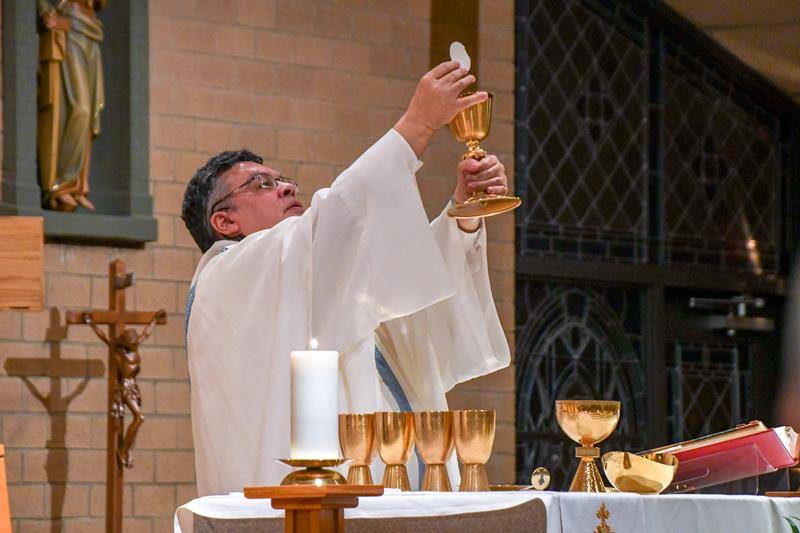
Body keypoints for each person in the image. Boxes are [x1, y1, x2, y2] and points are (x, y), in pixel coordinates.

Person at [181, 61, 511, 496]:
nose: (286, 189)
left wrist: (462, 217)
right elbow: (336, 219)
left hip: (396, 495)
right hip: (307, 506)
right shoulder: (225, 279)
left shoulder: (312, 278)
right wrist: (417, 124)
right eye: (261, 184)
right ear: (223, 221)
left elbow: (411, 323)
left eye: (284, 180)